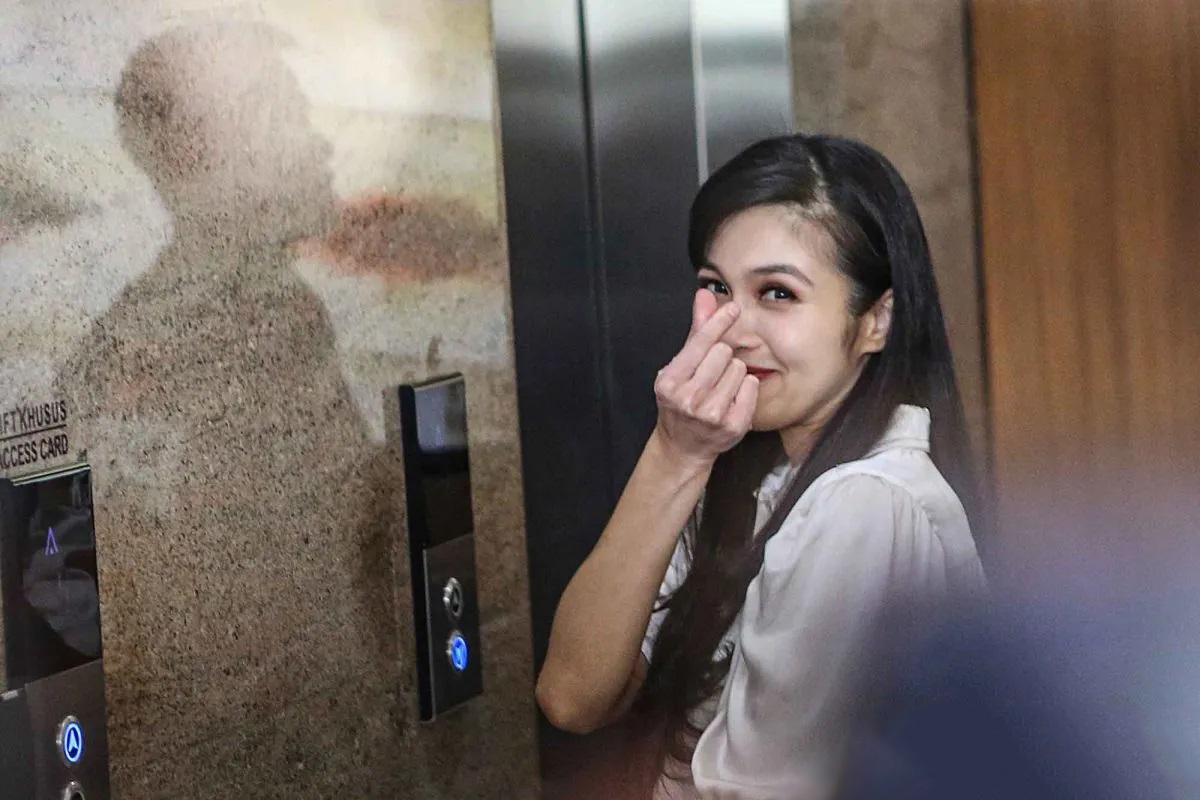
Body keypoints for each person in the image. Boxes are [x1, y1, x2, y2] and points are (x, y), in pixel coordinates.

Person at [535, 133, 987, 799]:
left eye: (777, 293)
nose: (734, 329)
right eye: (716, 287)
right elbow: (572, 696)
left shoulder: (865, 500)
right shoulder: (754, 479)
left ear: (876, 320)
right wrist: (675, 452)